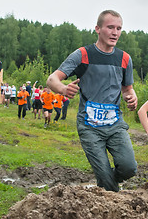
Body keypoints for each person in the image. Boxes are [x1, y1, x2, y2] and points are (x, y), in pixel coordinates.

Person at [47, 10, 138, 192]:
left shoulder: (124, 58)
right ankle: (111, 199)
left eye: (119, 28)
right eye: (110, 27)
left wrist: (132, 97)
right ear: (98, 29)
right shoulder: (83, 55)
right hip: (90, 127)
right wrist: (64, 89)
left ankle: (105, 187)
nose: (115, 32)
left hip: (115, 124)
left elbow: (127, 89)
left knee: (129, 168)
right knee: (105, 178)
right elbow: (52, 80)